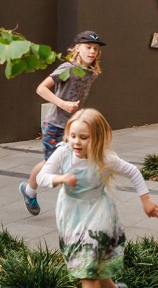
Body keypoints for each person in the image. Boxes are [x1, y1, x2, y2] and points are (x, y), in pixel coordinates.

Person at [37, 108, 158, 288]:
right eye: (72, 136)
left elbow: (133, 172)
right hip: (71, 215)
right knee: (98, 268)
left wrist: (146, 201)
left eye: (83, 137)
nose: (76, 142)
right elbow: (42, 176)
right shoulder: (63, 153)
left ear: (97, 138)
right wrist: (59, 178)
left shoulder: (104, 158)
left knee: (88, 269)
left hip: (99, 213)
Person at [19, 30, 105, 216]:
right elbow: (41, 88)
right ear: (77, 48)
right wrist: (62, 104)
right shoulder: (67, 68)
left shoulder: (91, 72)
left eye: (95, 49)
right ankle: (30, 190)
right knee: (53, 164)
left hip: (73, 128)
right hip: (55, 125)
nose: (92, 52)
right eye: (88, 47)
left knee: (75, 162)